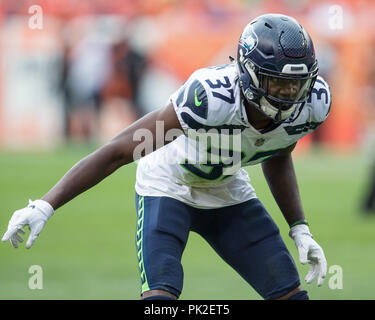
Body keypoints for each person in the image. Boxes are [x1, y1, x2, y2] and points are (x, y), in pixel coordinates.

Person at [2, 14, 331, 300]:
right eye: (278, 83)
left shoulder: (314, 103)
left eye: (296, 85)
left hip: (227, 191)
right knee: (161, 296)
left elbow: (277, 151)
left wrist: (299, 227)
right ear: (248, 73)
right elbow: (118, 151)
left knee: (289, 293)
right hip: (168, 185)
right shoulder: (210, 97)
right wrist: (45, 204)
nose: (289, 96)